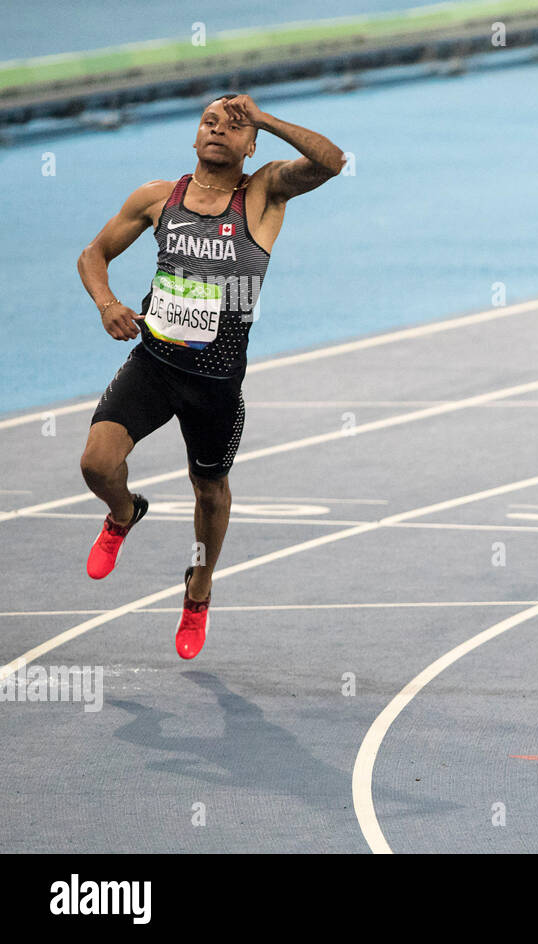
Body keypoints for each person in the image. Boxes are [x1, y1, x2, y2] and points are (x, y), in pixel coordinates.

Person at [77, 94, 345, 659]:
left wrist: (269, 118)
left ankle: (198, 588)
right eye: (208, 121)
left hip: (216, 380)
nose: (219, 129)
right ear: (195, 139)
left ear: (251, 146)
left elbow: (331, 161)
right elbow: (93, 255)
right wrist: (106, 304)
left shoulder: (265, 192)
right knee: (96, 464)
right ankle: (125, 513)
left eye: (234, 125)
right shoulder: (158, 199)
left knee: (211, 491)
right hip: (154, 363)